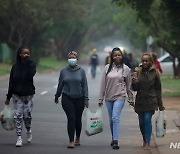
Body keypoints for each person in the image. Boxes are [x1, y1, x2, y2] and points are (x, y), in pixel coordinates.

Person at [98, 47, 134, 150]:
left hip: (120, 96)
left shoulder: (126, 69)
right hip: (108, 98)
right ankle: (114, 137)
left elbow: (129, 85)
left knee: (115, 117)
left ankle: (115, 140)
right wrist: (101, 98)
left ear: (122, 56)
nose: (117, 57)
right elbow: (102, 84)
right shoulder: (106, 68)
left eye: (119, 55)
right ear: (112, 57)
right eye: (115, 55)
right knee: (111, 120)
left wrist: (131, 99)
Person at [54, 51, 89, 149]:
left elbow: (85, 86)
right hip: (67, 98)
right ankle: (71, 140)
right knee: (71, 118)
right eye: (70, 57)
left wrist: (86, 99)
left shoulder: (81, 71)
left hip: (80, 98)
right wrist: (57, 96)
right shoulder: (63, 71)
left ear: (77, 59)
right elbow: (60, 84)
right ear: (68, 59)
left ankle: (77, 137)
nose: (72, 59)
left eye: (74, 57)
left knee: (78, 119)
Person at [132, 52, 165, 150]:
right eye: (143, 61)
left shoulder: (155, 72)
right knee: (141, 122)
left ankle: (147, 141)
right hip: (140, 101)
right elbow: (135, 89)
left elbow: (158, 89)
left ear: (150, 61)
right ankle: (144, 138)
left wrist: (160, 104)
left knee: (147, 120)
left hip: (151, 100)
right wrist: (134, 83)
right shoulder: (138, 71)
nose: (144, 62)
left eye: (146, 61)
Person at [5, 46, 36, 147]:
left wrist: (27, 63)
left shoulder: (31, 65)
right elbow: (11, 82)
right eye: (24, 53)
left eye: (28, 53)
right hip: (16, 95)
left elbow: (31, 74)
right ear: (20, 54)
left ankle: (28, 129)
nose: (26, 55)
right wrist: (8, 97)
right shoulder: (15, 67)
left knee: (27, 116)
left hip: (28, 95)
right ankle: (19, 138)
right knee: (18, 116)